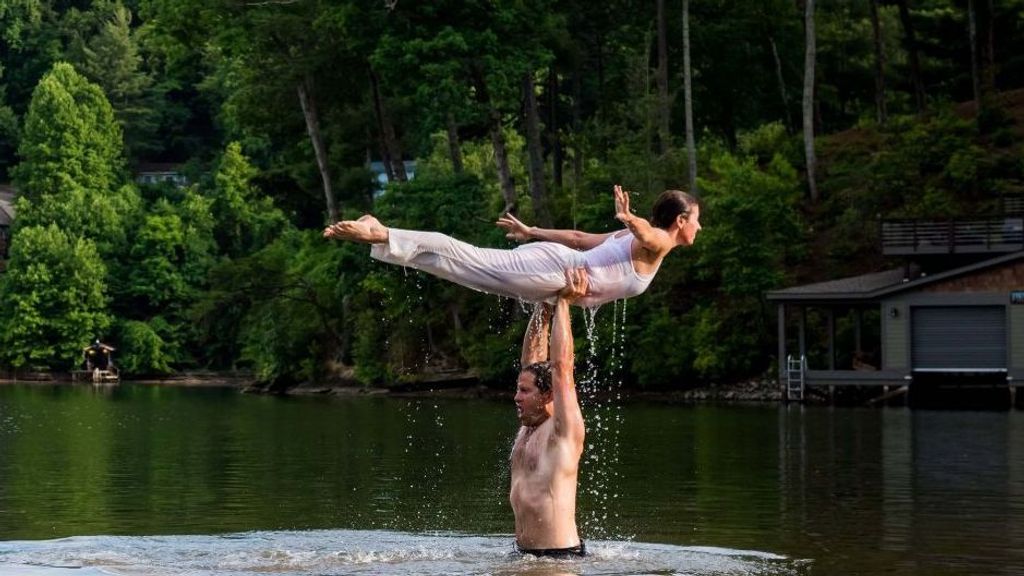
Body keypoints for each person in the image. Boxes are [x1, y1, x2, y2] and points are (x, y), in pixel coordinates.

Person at [322, 185, 700, 308]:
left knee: (464, 271)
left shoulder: (637, 241)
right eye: (696, 218)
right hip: (555, 270)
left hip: (554, 268)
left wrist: (532, 230)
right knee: (466, 257)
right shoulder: (657, 240)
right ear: (680, 221)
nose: (699, 226)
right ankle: (381, 233)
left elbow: (580, 238)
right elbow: (650, 235)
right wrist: (629, 219)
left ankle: (386, 241)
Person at [510, 268, 587, 558]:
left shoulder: (562, 431)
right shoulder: (528, 427)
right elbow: (531, 359)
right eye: (518, 389)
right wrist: (544, 303)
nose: (516, 397)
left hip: (558, 558)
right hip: (522, 555)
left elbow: (562, 368)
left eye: (525, 391)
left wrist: (564, 304)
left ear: (548, 396)